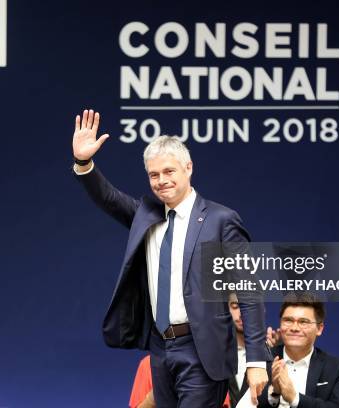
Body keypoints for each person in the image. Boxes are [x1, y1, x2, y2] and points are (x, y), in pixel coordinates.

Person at [73, 109, 270, 407]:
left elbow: (249, 291)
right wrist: (84, 163)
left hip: (202, 348)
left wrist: (256, 359)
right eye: (154, 174)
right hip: (161, 345)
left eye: (169, 171)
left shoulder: (221, 220)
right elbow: (109, 198)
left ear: (188, 168)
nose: (161, 180)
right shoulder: (146, 215)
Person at [257, 293, 339, 408]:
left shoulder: (337, 368)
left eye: (303, 322)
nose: (294, 328)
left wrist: (294, 398)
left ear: (319, 328)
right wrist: (274, 394)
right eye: (288, 320)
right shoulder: (260, 361)